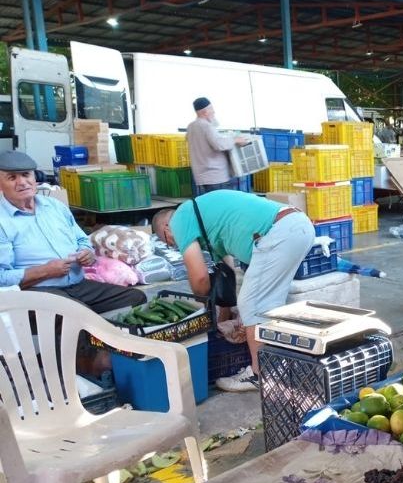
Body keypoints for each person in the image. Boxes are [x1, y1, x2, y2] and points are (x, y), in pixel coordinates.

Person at [153, 190, 314, 392]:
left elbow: (200, 277)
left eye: (167, 240)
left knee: (253, 304)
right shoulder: (203, 219)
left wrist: (203, 307)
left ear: (166, 227)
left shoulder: (179, 219)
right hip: (297, 226)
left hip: (281, 232)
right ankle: (277, 365)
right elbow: (227, 273)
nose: (173, 244)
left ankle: (259, 375)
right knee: (266, 306)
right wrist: (225, 317)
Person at [0, 151, 146, 312]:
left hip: (78, 285)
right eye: (12, 178)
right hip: (34, 292)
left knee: (136, 298)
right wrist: (44, 271)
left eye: (26, 175)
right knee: (78, 316)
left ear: (34, 178)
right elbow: (2, 277)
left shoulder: (54, 207)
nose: (22, 182)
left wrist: (87, 253)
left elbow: (82, 240)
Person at [186, 97, 248, 195]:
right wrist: (236, 140)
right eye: (211, 109)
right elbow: (219, 144)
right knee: (222, 206)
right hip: (216, 177)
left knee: (209, 206)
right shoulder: (207, 126)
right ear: (205, 112)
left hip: (201, 176)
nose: (214, 112)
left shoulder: (191, 126)